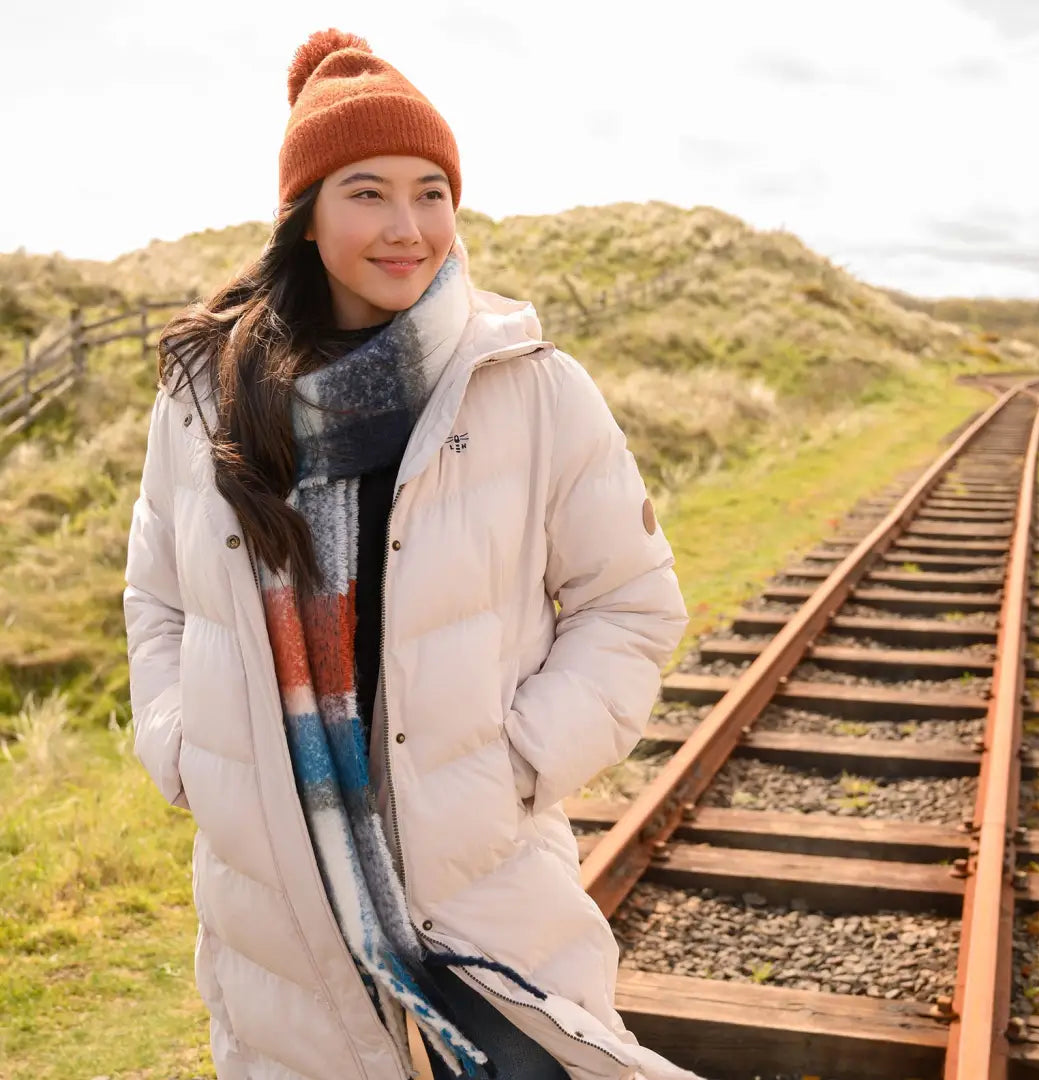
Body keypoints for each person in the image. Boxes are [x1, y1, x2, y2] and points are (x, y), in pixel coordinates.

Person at [123, 27, 696, 1080]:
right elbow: (157, 597)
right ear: (306, 214)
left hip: (484, 880)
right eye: (368, 192)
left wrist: (517, 760)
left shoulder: (528, 385)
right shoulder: (204, 396)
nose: (408, 227)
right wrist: (187, 747)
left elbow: (631, 603)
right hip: (276, 901)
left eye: (432, 191)